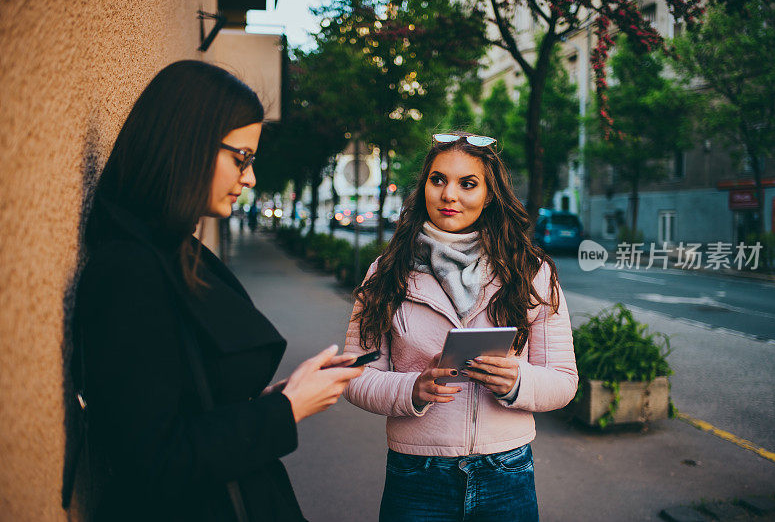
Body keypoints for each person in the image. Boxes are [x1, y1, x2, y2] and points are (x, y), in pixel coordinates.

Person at [71, 60, 364, 521]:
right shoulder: (129, 270)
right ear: (187, 144)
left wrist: (279, 397)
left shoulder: (173, 250)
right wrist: (286, 411)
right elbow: (152, 460)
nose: (249, 179)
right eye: (240, 158)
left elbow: (191, 400)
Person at [342, 132, 578, 521]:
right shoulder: (386, 273)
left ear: (489, 195)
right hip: (416, 473)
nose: (449, 194)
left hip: (507, 471)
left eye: (467, 183)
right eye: (438, 180)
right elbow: (354, 374)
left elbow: (565, 380)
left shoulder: (531, 273)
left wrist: (517, 382)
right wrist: (412, 388)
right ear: (424, 189)